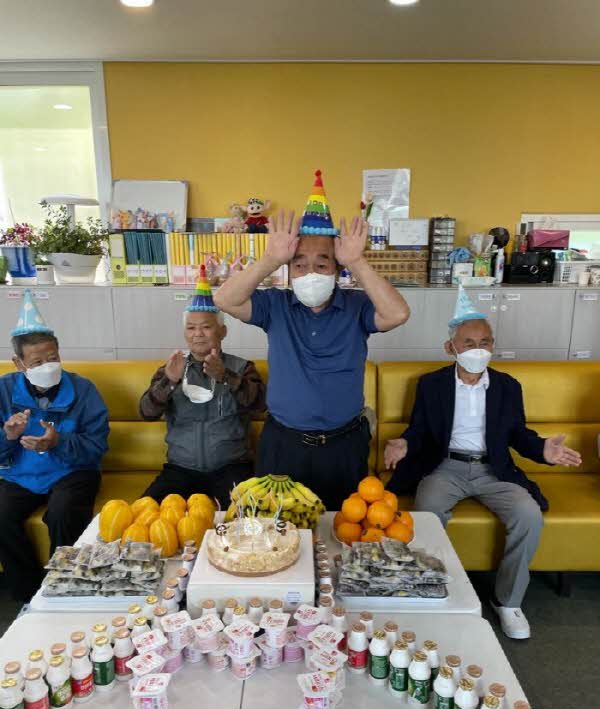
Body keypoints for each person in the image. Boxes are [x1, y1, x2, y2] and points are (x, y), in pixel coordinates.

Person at [384, 286, 582, 639]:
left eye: (485, 342)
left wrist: (543, 451)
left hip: (495, 470)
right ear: (451, 348)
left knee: (528, 515)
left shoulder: (507, 386)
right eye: (469, 342)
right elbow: (420, 430)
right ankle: (428, 586)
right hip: (446, 468)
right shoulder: (431, 385)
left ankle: (509, 601)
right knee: (427, 514)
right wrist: (404, 443)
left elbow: (518, 434)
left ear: (493, 345)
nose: (478, 349)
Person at [214, 169, 410, 509]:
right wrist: (271, 259)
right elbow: (224, 299)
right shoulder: (275, 305)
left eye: (322, 264)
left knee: (344, 528)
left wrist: (357, 261)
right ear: (289, 270)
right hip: (284, 444)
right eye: (299, 265)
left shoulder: (357, 306)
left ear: (337, 268)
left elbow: (398, 313)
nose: (310, 273)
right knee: (278, 530)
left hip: (344, 445)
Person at [0, 290, 109, 601]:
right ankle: (29, 592)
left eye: (53, 358)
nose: (47, 366)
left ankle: (66, 585)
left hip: (72, 471)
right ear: (19, 363)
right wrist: (8, 437)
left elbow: (96, 446)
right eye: (37, 361)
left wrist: (58, 442)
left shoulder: (84, 390)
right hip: (20, 473)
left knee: (63, 512)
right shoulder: (3, 391)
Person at [139, 267, 266, 508]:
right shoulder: (171, 368)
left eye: (206, 327)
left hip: (231, 467)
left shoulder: (242, 368)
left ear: (222, 331)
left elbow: (260, 404)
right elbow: (146, 412)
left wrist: (225, 376)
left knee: (249, 518)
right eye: (191, 328)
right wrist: (169, 381)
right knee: (145, 514)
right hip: (180, 469)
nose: (198, 334)